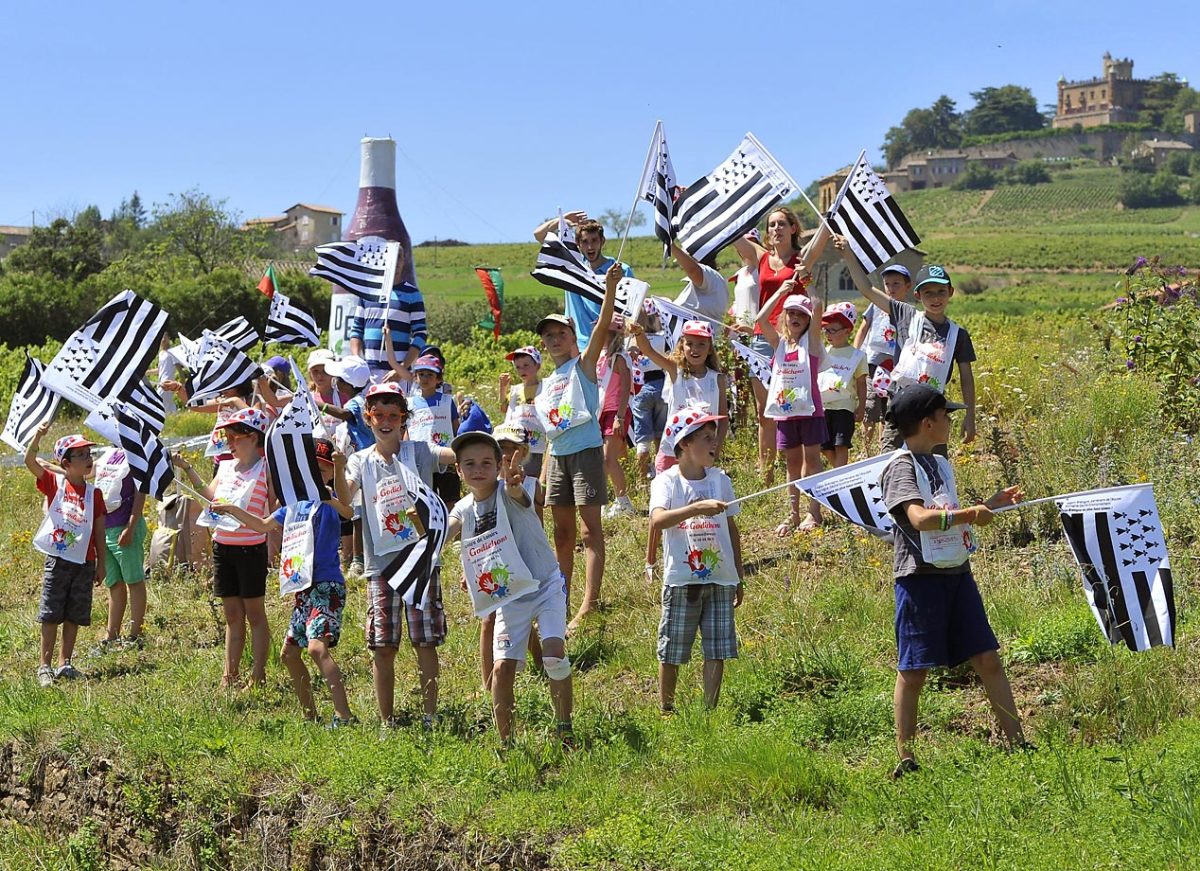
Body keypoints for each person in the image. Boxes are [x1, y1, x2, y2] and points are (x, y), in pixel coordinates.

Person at [879, 384, 1026, 778]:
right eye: (946, 415)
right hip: (918, 579)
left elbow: (948, 510)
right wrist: (969, 516)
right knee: (913, 672)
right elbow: (919, 519)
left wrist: (987, 506)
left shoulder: (940, 463)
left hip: (957, 571)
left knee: (987, 658)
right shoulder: (900, 467)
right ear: (929, 423)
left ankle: (1018, 743)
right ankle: (906, 758)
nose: (950, 421)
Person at [211, 439, 356, 726]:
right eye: (308, 468)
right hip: (303, 588)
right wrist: (231, 509)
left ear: (327, 474)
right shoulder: (293, 505)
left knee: (316, 648)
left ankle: (344, 715)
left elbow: (348, 511)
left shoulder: (328, 501)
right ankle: (310, 715)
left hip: (327, 584)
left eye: (321, 469)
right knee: (289, 654)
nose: (313, 474)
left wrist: (339, 468)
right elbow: (262, 525)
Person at [339, 383, 457, 729]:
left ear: (404, 418)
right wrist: (336, 465)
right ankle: (386, 721)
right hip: (381, 565)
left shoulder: (418, 451)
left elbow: (448, 455)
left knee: (424, 640)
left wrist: (474, 447)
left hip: (420, 561)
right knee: (382, 645)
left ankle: (430, 715)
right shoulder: (360, 461)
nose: (386, 422)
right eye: (379, 415)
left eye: (394, 415)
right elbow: (346, 502)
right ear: (368, 417)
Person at [447, 431, 573, 745]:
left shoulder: (514, 489)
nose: (479, 469)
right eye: (470, 463)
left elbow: (520, 497)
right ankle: (507, 743)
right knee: (502, 670)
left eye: (487, 462)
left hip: (545, 585)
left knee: (553, 655)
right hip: (511, 596)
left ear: (499, 465)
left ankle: (564, 727)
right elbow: (457, 537)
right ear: (459, 471)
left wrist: (515, 485)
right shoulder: (463, 509)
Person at [534, 264, 620, 630]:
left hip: (585, 452)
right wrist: (542, 471)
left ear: (573, 337)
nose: (554, 339)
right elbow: (551, 433)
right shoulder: (546, 383)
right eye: (548, 336)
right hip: (558, 459)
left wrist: (610, 289)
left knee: (589, 531)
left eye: (560, 333)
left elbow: (601, 326)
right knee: (563, 534)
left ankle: (590, 603)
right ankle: (562, 598)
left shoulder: (584, 365)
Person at [836, 242, 977, 452]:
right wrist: (848, 255)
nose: (935, 298)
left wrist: (970, 416)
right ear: (918, 296)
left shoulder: (959, 335)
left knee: (933, 466)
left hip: (934, 412)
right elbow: (867, 289)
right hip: (901, 406)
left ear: (951, 292)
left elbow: (967, 378)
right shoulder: (906, 315)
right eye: (928, 293)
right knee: (891, 461)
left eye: (941, 291)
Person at [649, 406, 744, 711]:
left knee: (717, 647)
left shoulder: (720, 480)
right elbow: (657, 521)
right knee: (673, 647)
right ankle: (666, 709)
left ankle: (709, 710)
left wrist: (739, 575)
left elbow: (732, 529)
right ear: (685, 444)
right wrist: (696, 509)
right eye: (705, 437)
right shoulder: (667, 481)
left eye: (714, 436)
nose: (714, 443)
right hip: (682, 579)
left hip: (721, 577)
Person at [173, 407, 274, 689]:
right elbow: (211, 496)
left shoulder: (266, 469)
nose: (228, 442)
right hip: (223, 547)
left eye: (234, 436)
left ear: (253, 437)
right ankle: (229, 675)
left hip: (250, 549)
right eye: (227, 436)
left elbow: (273, 512)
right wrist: (188, 469)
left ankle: (258, 673)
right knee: (231, 615)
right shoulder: (227, 465)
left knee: (254, 613)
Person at [734, 213, 830, 483]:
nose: (776, 228)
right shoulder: (761, 256)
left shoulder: (801, 259)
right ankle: (766, 473)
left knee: (795, 404)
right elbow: (731, 235)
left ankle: (801, 472)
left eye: (782, 224)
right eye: (772, 224)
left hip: (794, 338)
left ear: (793, 228)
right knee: (765, 408)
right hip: (762, 337)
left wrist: (834, 209)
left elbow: (824, 233)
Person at [25, 426, 106, 686]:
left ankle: (65, 663)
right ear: (66, 463)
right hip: (59, 560)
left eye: (89, 453)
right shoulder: (55, 483)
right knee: (51, 612)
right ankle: (44, 666)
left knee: (75, 613)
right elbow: (30, 461)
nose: (88, 458)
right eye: (81, 455)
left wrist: (101, 563)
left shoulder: (95, 493)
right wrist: (38, 437)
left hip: (85, 561)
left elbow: (100, 530)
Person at [755, 282, 828, 535]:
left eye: (801, 314)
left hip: (810, 411)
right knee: (792, 463)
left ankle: (814, 512)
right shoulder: (779, 344)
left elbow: (818, 307)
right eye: (791, 313)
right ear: (785, 317)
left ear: (808, 321)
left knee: (812, 461)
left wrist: (809, 282)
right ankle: (793, 513)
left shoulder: (813, 342)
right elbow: (760, 318)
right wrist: (780, 292)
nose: (796, 317)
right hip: (785, 413)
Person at [533, 213, 633, 348]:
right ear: (578, 244)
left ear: (602, 241)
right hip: (577, 346)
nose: (590, 247)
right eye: (585, 242)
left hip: (610, 346)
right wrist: (560, 221)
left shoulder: (620, 270)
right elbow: (538, 235)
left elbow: (633, 310)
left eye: (594, 241)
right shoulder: (571, 267)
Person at [91, 443, 149, 652]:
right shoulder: (108, 453)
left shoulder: (136, 455)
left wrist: (131, 527)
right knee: (114, 583)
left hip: (124, 528)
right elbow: (87, 472)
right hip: (104, 528)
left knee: (134, 580)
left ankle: (136, 634)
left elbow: (140, 492)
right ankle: (111, 634)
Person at [853, 264, 912, 448]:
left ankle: (882, 448)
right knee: (870, 406)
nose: (891, 288)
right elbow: (863, 329)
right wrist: (855, 355)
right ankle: (866, 449)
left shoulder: (908, 311)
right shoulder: (875, 304)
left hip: (895, 367)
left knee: (887, 410)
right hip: (872, 363)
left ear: (907, 286)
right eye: (887, 284)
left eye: (896, 284)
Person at [348, 245, 428, 380]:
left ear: (403, 261)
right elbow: (356, 330)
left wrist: (401, 368)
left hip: (398, 374)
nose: (395, 262)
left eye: (399, 257)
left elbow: (420, 334)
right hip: (368, 371)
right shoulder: (367, 291)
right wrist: (357, 361)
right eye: (391, 257)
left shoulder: (413, 294)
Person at [818, 302, 869, 469]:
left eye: (832, 330)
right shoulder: (824, 352)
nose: (828, 334)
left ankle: (839, 475)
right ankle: (842, 472)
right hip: (824, 406)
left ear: (847, 330)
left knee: (841, 444)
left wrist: (861, 407)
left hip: (844, 407)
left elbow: (861, 382)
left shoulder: (857, 355)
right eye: (825, 329)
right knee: (824, 446)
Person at [408, 353, 461, 507]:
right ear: (415, 377)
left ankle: (451, 529)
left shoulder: (446, 400)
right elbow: (408, 430)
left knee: (450, 498)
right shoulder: (409, 403)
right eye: (421, 374)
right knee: (425, 498)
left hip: (447, 456)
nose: (425, 378)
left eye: (430, 375)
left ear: (438, 378)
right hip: (421, 458)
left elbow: (455, 425)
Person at [596, 316, 636, 518]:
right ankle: (605, 501)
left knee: (608, 458)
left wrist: (620, 416)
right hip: (602, 412)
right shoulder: (603, 356)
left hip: (615, 412)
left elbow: (626, 387)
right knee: (602, 460)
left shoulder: (619, 357)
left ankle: (623, 501)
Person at [627, 305, 669, 484]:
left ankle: (642, 480)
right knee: (661, 435)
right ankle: (662, 475)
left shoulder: (634, 341)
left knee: (642, 439)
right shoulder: (664, 339)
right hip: (663, 388)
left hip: (643, 389)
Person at [497, 345, 547, 478]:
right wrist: (502, 389)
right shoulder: (515, 390)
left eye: (526, 365)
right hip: (515, 445)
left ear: (537, 366)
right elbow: (504, 409)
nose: (522, 370)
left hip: (535, 444)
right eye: (518, 367)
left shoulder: (544, 388)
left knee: (531, 476)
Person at [670, 241, 730, 322]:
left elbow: (693, 270)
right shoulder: (713, 278)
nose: (683, 267)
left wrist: (671, 245)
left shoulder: (710, 276)